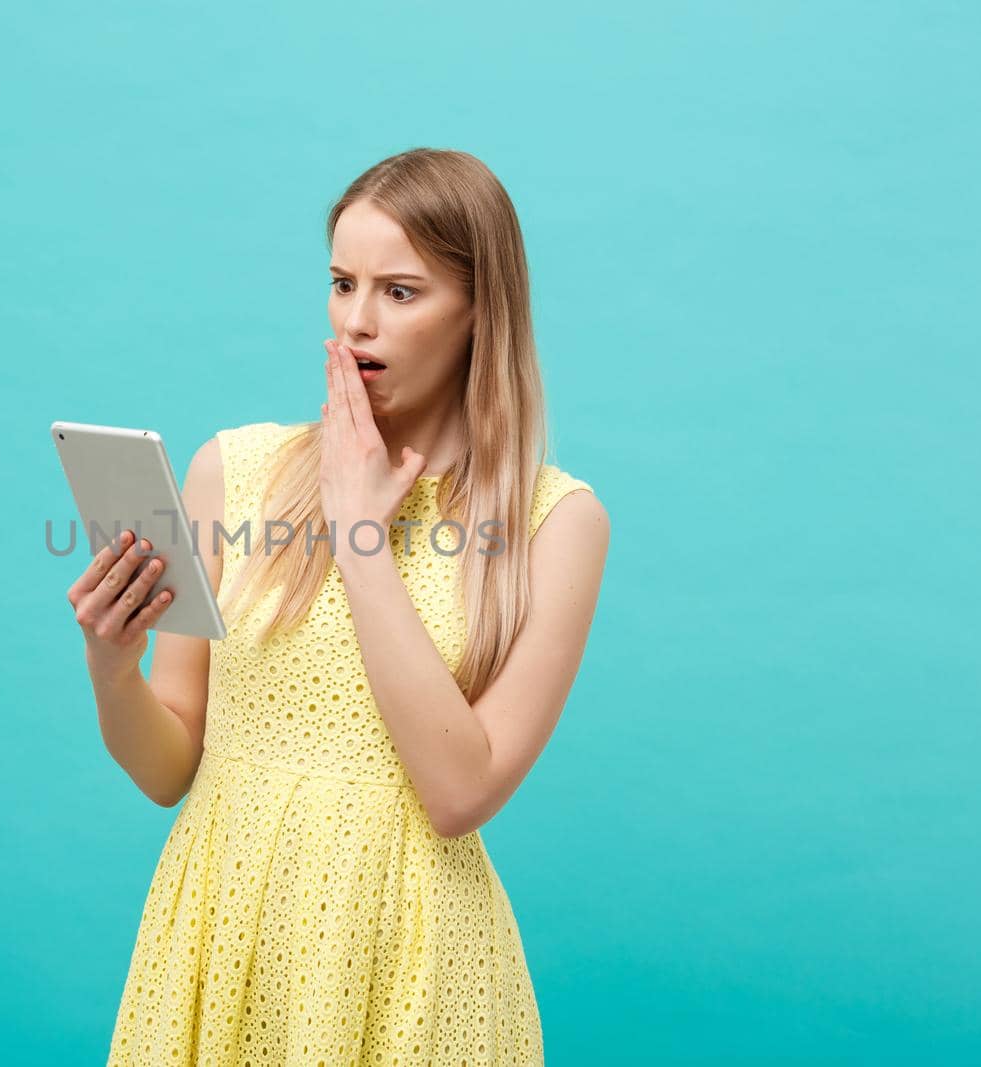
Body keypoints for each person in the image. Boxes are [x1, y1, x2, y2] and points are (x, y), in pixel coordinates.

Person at [66, 147, 611, 1066]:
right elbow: (169, 768)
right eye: (341, 283)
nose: (357, 322)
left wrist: (360, 535)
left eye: (400, 292)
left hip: (412, 964)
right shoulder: (228, 472)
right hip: (221, 931)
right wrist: (112, 666)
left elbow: (460, 792)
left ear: (481, 310)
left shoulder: (556, 524)